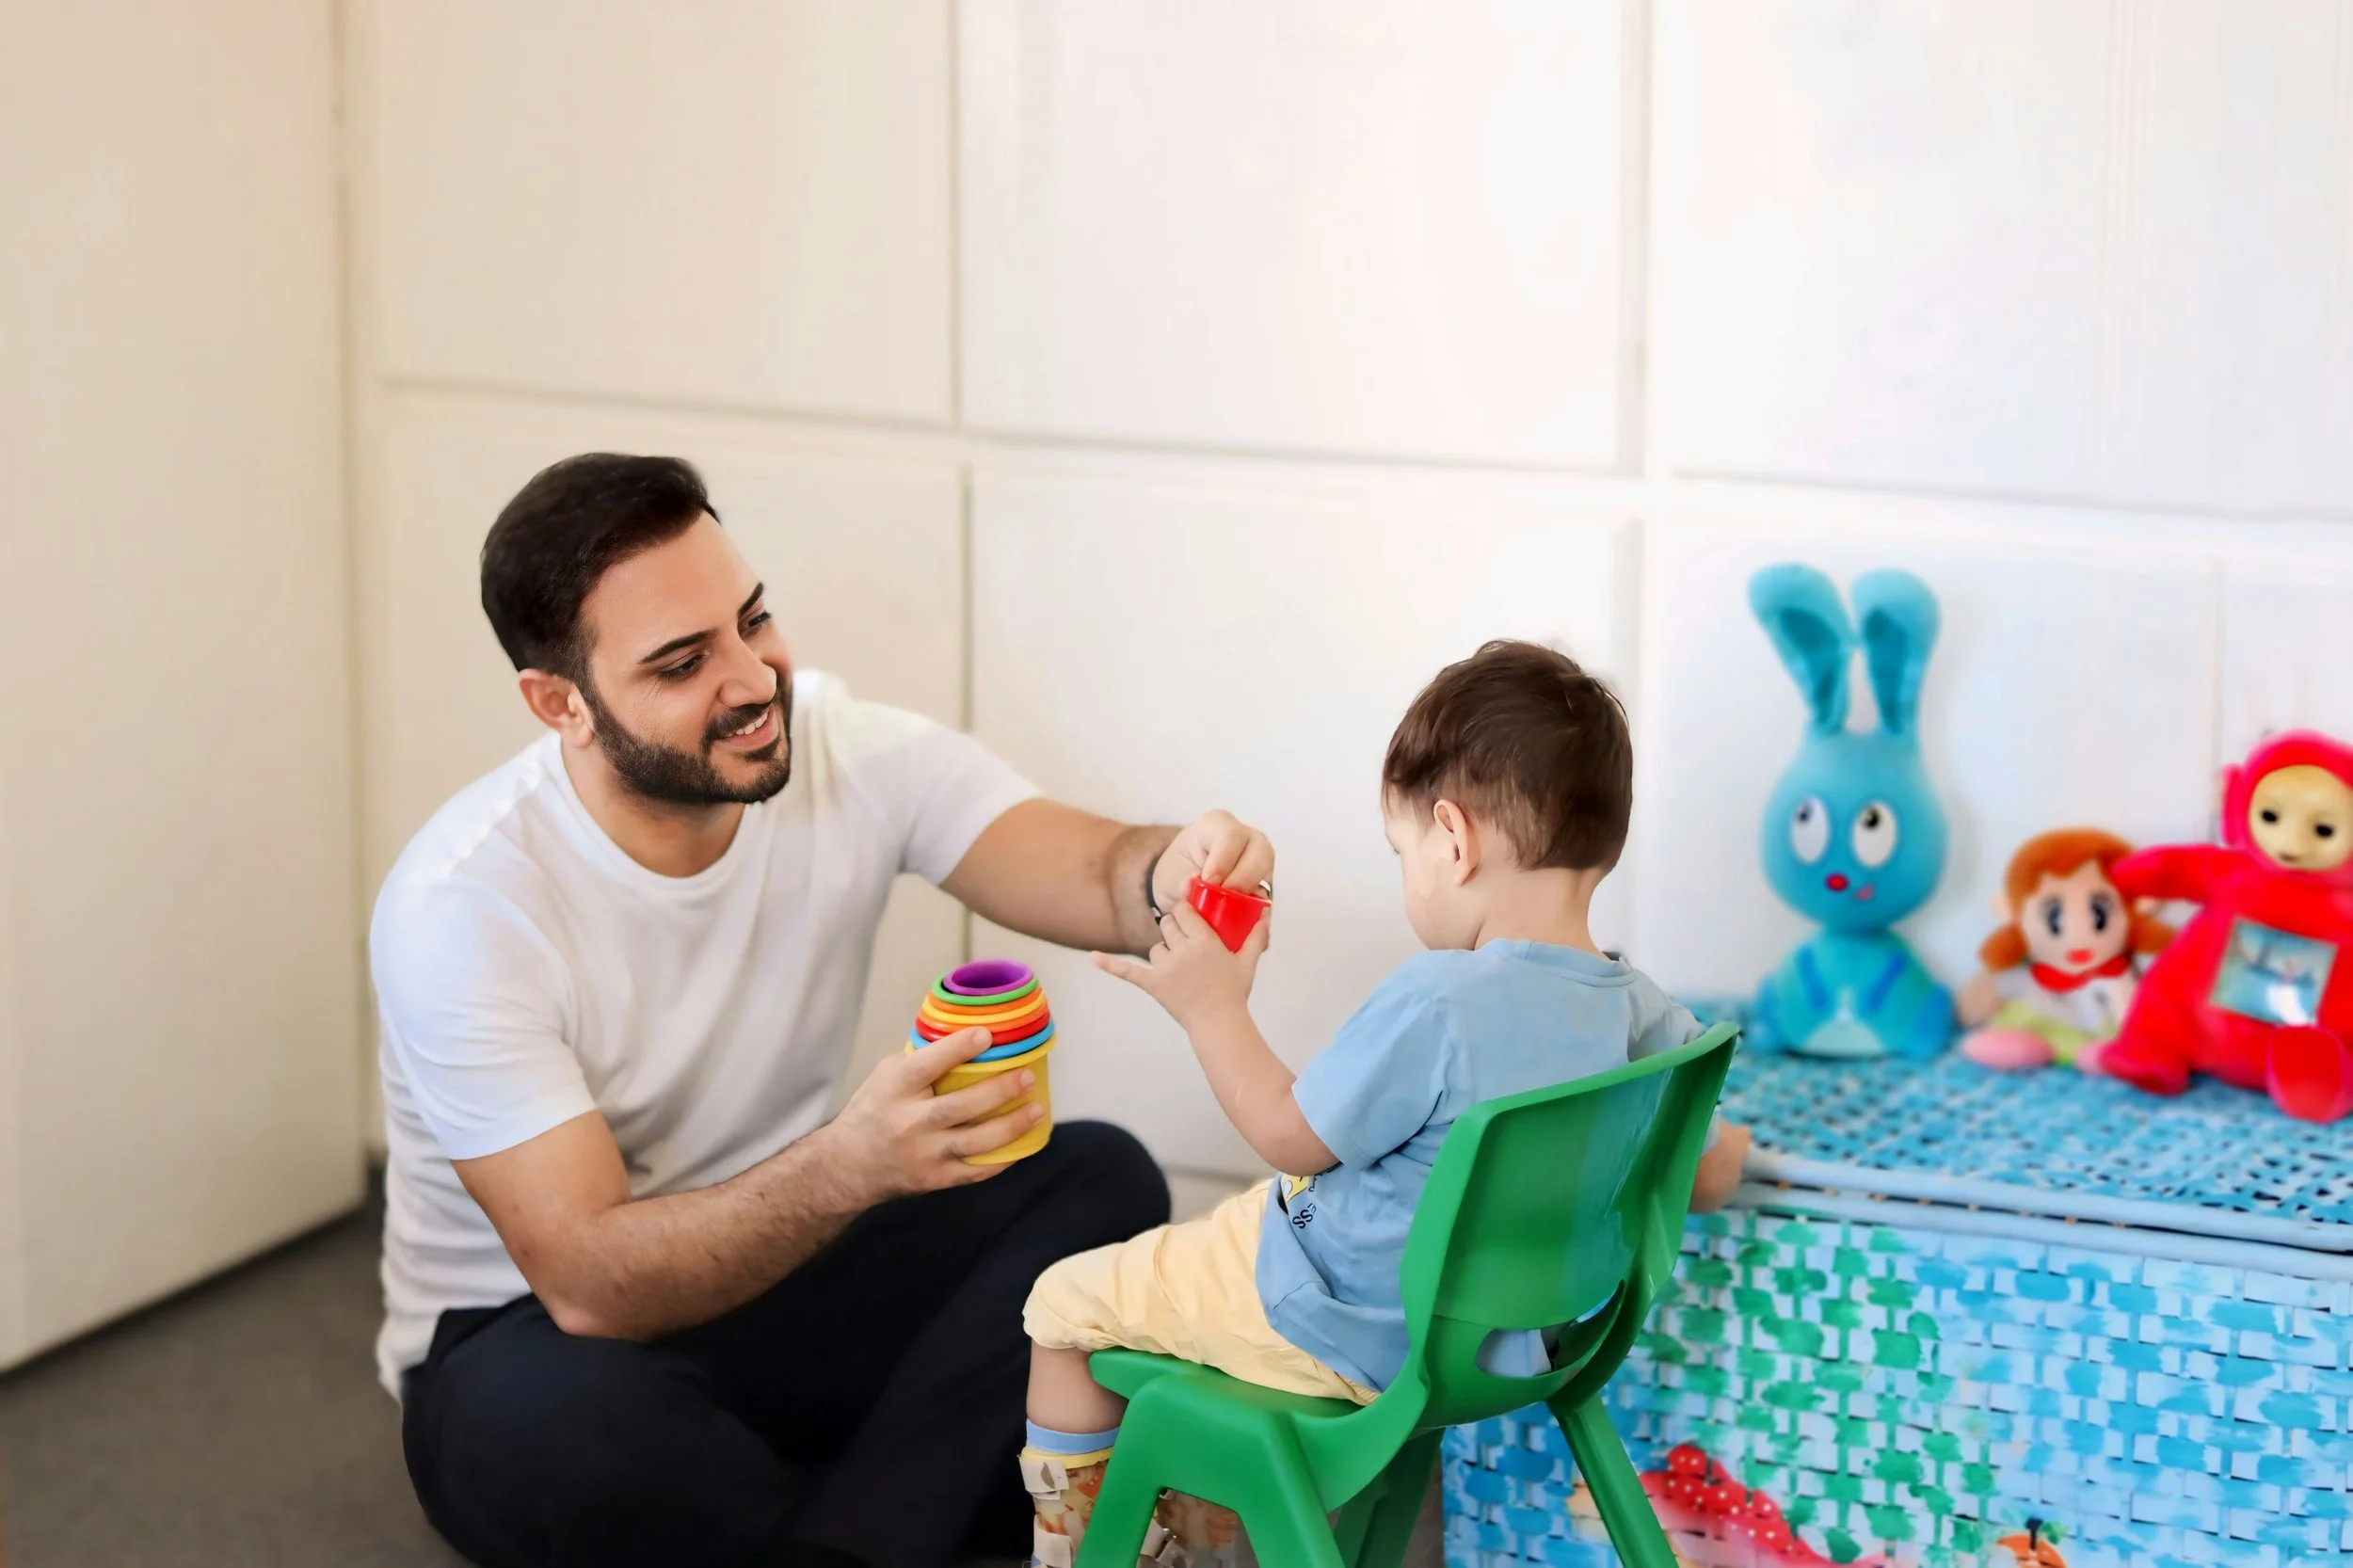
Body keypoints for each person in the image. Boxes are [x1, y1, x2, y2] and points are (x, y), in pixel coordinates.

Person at [373, 453, 1276, 1568]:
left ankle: (835, 1538)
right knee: (559, 1433)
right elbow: (590, 1281)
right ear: (562, 703)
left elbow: (1097, 874)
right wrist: (851, 1165)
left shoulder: (843, 749)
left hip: (789, 1269)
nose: (753, 678)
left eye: (753, 621)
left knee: (1097, 1177)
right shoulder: (463, 902)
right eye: (682, 662)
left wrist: (1178, 871)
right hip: (536, 1333)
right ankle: (910, 1505)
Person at [1011, 640, 1747, 1568]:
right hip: (1507, 1346)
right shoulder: (1649, 1017)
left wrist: (1210, 1006)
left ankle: (1078, 1553)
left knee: (1062, 1305)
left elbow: (1288, 1130)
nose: (1409, 876)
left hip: (1337, 1321)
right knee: (1236, 1225)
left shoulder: (1438, 999)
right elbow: (1711, 1168)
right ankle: (1197, 1531)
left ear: (1454, 838)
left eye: (1403, 852)